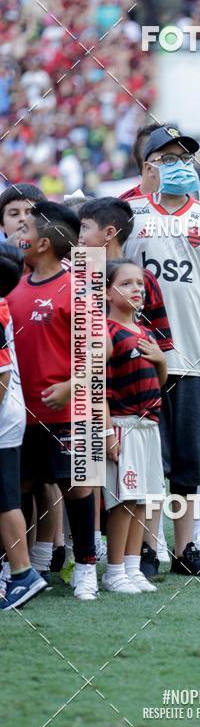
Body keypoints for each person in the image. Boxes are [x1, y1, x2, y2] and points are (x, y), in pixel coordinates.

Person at [123, 125, 200, 577]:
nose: (178, 165)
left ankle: (186, 548)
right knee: (147, 458)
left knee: (189, 459)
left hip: (192, 356)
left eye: (184, 157)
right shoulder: (129, 213)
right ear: (148, 164)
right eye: (167, 158)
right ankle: (148, 549)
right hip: (139, 356)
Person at [7, 202, 98, 600]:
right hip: (17, 416)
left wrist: (71, 385)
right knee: (20, 487)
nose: (15, 234)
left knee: (77, 488)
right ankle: (21, 570)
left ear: (43, 243)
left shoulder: (76, 288)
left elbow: (98, 352)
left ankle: (87, 569)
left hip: (68, 414)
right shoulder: (10, 285)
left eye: (23, 228)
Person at [103, 259, 167, 593]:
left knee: (144, 498)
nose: (137, 289)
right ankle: (114, 571)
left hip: (148, 427)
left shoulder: (146, 332)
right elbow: (98, 388)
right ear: (107, 291)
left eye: (139, 284)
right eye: (127, 284)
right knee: (123, 499)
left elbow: (160, 381)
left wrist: (161, 360)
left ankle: (132, 567)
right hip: (123, 426)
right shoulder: (107, 332)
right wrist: (106, 432)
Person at [0, 243, 48, 610]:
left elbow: (0, 374)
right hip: (10, 414)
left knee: (4, 498)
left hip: (2, 417)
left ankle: (22, 573)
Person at [120, 123, 200, 202]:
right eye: (169, 158)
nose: (179, 165)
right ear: (148, 166)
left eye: (185, 157)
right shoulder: (124, 207)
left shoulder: (199, 209)